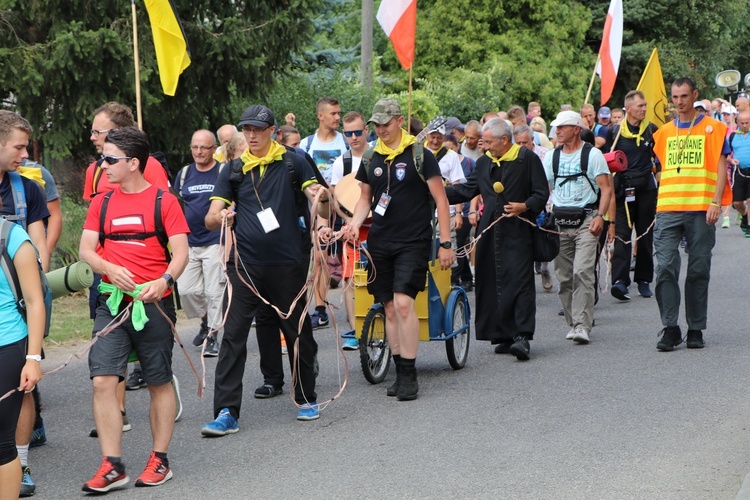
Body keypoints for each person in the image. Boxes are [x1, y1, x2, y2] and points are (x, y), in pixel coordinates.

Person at [201, 104, 325, 434]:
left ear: (273, 131)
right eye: (247, 129)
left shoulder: (293, 161)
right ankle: (226, 411)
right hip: (245, 267)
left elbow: (320, 197)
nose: (252, 135)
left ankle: (306, 397)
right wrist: (222, 216)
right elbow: (210, 217)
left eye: (258, 129)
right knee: (233, 337)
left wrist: (320, 198)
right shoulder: (233, 170)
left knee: (298, 332)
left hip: (288, 263)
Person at [79, 127, 189, 492]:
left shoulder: (164, 201)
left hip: (154, 306)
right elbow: (86, 251)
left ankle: (160, 459)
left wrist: (164, 282)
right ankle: (112, 465)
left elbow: (181, 253)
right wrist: (109, 268)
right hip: (111, 305)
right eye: (102, 159)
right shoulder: (102, 202)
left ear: (134, 163)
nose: (103, 165)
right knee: (102, 381)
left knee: (158, 382)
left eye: (110, 159)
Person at [345, 98, 454, 400]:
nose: (380, 129)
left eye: (385, 123)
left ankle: (409, 373)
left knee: (404, 303)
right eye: (376, 125)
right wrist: (355, 223)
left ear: (399, 121)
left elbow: (441, 202)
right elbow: (365, 199)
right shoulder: (370, 158)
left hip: (414, 241)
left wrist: (445, 243)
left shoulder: (420, 155)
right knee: (389, 307)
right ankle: (398, 367)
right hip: (380, 242)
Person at [446, 118, 549, 360]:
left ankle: (522, 336)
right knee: (491, 281)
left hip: (519, 232)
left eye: (490, 142)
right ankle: (503, 334)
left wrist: (525, 206)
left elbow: (541, 193)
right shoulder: (483, 163)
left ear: (505, 140)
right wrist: (435, 191)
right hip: (490, 232)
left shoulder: (526, 159)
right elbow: (466, 190)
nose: (486, 146)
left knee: (521, 282)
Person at [651, 77, 729, 351]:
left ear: (694, 95)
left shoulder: (714, 128)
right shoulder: (662, 133)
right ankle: (670, 328)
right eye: (675, 97)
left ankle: (695, 327)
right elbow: (660, 171)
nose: (679, 102)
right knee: (664, 268)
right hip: (669, 209)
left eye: (684, 96)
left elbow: (721, 167)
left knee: (698, 270)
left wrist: (716, 202)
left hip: (700, 208)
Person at [0, 111, 46, 499]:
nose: (25, 154)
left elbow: (39, 243)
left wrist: (34, 352)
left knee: (24, 391)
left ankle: (22, 458)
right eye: (18, 146)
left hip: (16, 311)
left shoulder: (27, 188)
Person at [543, 110, 612, 344]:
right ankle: (574, 323)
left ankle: (583, 325)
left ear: (576, 129)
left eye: (562, 127)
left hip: (586, 221)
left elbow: (607, 188)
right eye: (556, 128)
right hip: (559, 223)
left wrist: (600, 216)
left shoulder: (593, 155)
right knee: (563, 276)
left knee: (582, 271)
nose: (557, 131)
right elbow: (543, 189)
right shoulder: (551, 157)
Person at [174, 130, 225, 357]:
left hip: (216, 240)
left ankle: (213, 334)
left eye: (204, 147)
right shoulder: (184, 174)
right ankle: (205, 320)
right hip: (188, 242)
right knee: (186, 290)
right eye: (195, 147)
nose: (199, 152)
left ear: (214, 149)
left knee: (215, 292)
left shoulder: (222, 172)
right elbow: (174, 204)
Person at [299, 97, 349, 329]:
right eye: (333, 113)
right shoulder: (307, 144)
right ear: (320, 116)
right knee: (319, 258)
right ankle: (320, 309)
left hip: (344, 206)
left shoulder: (346, 141)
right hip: (318, 208)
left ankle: (357, 309)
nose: (338, 117)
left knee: (348, 258)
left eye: (339, 113)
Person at [605, 90, 659, 300]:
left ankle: (644, 280)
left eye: (645, 105)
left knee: (645, 236)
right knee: (622, 236)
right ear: (628, 109)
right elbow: (607, 161)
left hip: (646, 189)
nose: (644, 109)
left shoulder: (651, 130)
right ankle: (620, 281)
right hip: (623, 190)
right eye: (640, 106)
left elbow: (659, 159)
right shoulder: (615, 132)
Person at [329, 111, 371, 350]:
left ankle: (378, 325)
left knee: (378, 276)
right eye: (348, 133)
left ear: (366, 130)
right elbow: (336, 200)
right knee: (349, 279)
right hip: (351, 230)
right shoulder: (341, 163)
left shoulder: (377, 155)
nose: (354, 137)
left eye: (358, 132)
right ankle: (356, 330)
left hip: (378, 227)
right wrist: (350, 221)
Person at [514, 124, 554, 293]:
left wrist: (548, 203)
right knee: (524, 245)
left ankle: (544, 268)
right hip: (521, 206)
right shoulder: (513, 155)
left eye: (525, 142)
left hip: (542, 204)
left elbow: (548, 183)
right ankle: (525, 281)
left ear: (532, 140)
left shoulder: (545, 155)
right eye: (519, 143)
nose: (522, 146)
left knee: (541, 239)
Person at [444, 134, 476, 290]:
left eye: (451, 147)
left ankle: (459, 280)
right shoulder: (427, 156)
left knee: (458, 246)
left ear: (457, 146)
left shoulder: (464, 161)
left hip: (458, 211)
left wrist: (461, 213)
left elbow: (460, 188)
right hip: (432, 213)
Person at [729, 110, 750, 235]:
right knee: (737, 202)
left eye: (747, 123)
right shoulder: (733, 136)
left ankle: (749, 226)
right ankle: (745, 216)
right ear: (738, 122)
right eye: (742, 123)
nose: (745, 125)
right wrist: (731, 160)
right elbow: (725, 155)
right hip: (739, 172)